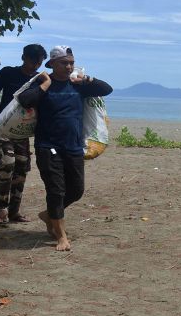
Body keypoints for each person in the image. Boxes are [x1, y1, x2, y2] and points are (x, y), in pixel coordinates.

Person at [18, 46, 112, 251]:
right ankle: (61, 236)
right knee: (56, 191)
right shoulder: (43, 84)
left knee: (77, 190)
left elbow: (106, 89)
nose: (69, 66)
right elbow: (25, 101)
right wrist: (45, 84)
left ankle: (48, 215)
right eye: (64, 63)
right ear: (52, 64)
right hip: (48, 146)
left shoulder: (78, 85)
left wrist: (87, 80)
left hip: (73, 146)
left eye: (71, 62)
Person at [0, 44, 47, 224]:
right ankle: (1, 210)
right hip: (3, 129)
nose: (35, 65)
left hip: (22, 131)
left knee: (21, 169)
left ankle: (14, 212)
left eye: (39, 61)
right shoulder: (8, 73)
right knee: (7, 164)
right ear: (23, 58)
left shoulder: (39, 80)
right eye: (33, 60)